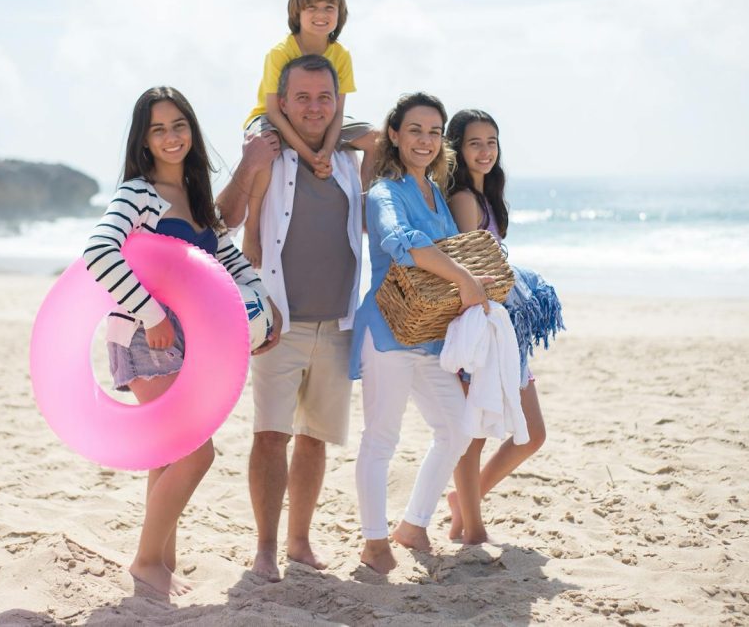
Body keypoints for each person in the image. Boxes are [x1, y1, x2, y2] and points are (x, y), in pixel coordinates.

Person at [83, 87, 274, 598]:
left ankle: (161, 562)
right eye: (158, 129)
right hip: (145, 339)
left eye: (179, 125)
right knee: (196, 453)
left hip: (189, 341)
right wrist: (148, 314)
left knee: (169, 455)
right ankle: (147, 560)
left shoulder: (195, 197)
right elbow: (99, 252)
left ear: (192, 129)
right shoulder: (137, 194)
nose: (171, 137)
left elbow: (226, 260)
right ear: (143, 141)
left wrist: (261, 309)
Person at [217, 55, 364, 582]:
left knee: (315, 437)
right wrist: (248, 161)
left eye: (324, 96)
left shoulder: (347, 161)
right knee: (270, 434)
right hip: (278, 322)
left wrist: (360, 137)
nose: (314, 107)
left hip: (338, 322)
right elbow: (224, 221)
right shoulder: (270, 156)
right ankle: (265, 547)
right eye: (301, 97)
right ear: (280, 103)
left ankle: (299, 542)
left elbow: (389, 150)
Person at [350, 92, 494, 574]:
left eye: (434, 132)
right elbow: (401, 243)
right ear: (394, 135)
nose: (425, 140)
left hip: (430, 335)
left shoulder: (436, 193)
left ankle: (412, 524)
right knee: (381, 440)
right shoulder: (386, 191)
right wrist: (463, 278)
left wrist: (478, 280)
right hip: (388, 332)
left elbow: (456, 247)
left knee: (457, 428)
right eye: (415, 130)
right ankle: (374, 542)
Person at [443, 108, 564, 545]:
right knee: (472, 437)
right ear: (457, 148)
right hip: (480, 332)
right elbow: (466, 265)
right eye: (475, 142)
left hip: (503, 333)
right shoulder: (463, 200)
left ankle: (463, 502)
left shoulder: (486, 199)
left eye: (491, 141)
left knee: (532, 434)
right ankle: (472, 529)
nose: (485, 150)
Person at [240, 0, 377, 269]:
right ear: (297, 13)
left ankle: (364, 208)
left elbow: (338, 112)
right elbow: (275, 110)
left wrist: (326, 151)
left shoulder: (341, 55)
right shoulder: (279, 53)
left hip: (321, 118)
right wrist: (309, 155)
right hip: (273, 116)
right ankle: (251, 230)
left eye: (330, 7)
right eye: (312, 7)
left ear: (339, 15)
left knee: (376, 139)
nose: (321, 15)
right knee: (263, 149)